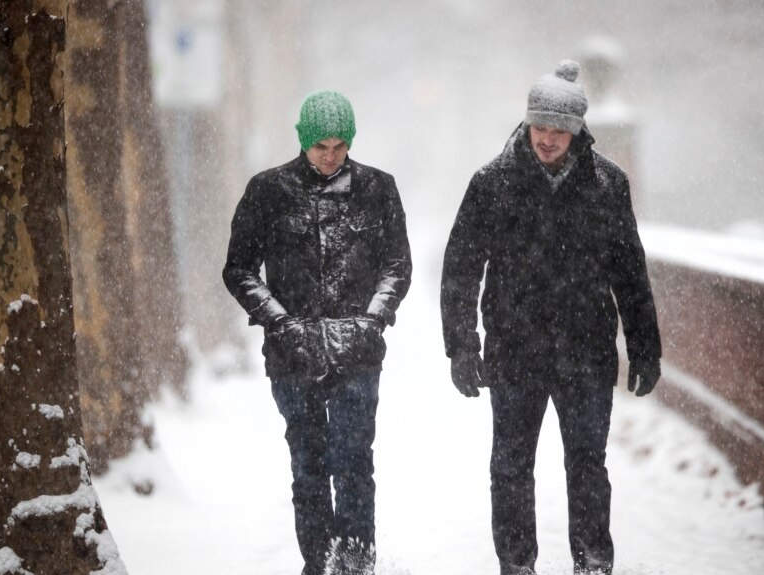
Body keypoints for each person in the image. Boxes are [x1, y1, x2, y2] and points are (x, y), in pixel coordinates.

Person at [440, 61, 662, 575]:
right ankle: (517, 565)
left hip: (586, 352)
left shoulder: (608, 185)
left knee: (587, 467)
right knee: (511, 468)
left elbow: (629, 271)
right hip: (514, 351)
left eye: (558, 130)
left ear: (578, 129)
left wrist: (645, 345)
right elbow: (461, 269)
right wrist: (461, 345)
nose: (547, 139)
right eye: (540, 127)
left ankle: (593, 563)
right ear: (527, 123)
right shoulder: (492, 183)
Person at [223, 90, 412, 575]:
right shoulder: (268, 190)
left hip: (358, 351)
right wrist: (281, 323)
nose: (330, 156)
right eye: (320, 146)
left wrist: (371, 321)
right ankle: (317, 561)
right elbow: (240, 270)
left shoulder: (378, 188)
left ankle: (354, 565)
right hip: (293, 353)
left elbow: (397, 266)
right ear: (303, 141)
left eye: (339, 145)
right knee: (308, 466)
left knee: (353, 463)